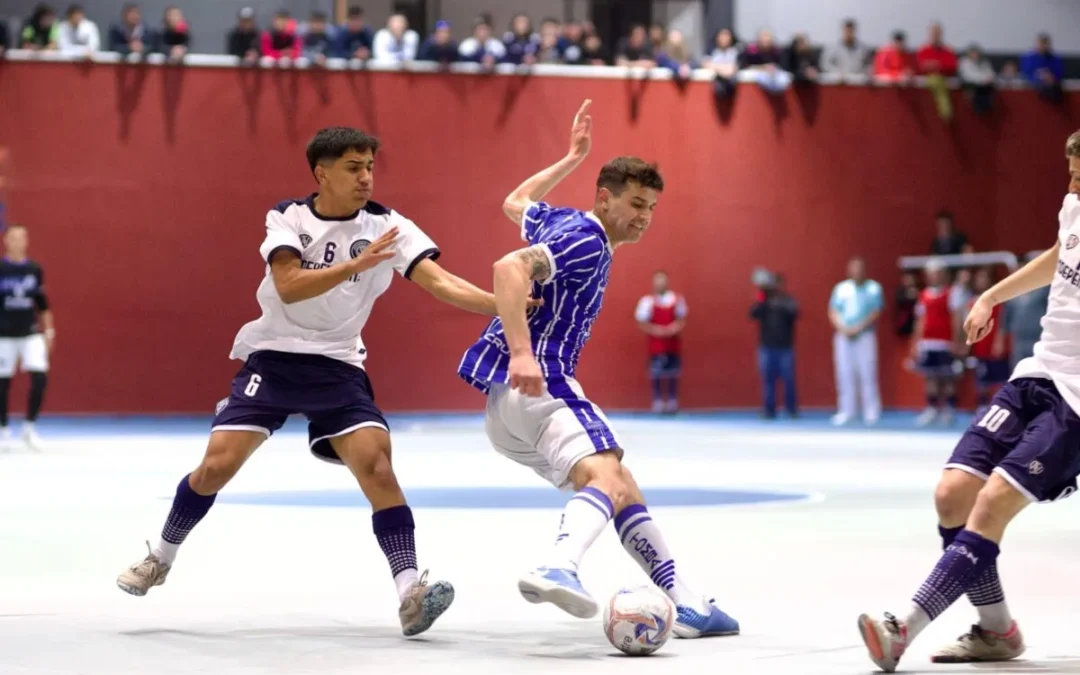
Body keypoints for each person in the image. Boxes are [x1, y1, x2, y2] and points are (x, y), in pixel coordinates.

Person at [116, 127, 510, 637]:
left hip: (338, 364)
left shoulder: (388, 225)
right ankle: (161, 557)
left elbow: (442, 282)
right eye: (353, 167)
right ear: (322, 173)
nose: (365, 176)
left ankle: (410, 591)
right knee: (216, 467)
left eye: (370, 166)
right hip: (274, 357)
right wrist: (356, 263)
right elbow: (289, 286)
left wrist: (503, 304)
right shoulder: (288, 217)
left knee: (378, 467)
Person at [456, 100, 739, 638]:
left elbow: (516, 202)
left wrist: (570, 157)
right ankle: (558, 565)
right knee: (609, 477)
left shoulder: (566, 222)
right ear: (604, 200)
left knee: (619, 482)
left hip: (502, 410)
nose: (644, 216)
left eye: (652, 207)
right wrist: (522, 351)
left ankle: (687, 605)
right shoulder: (587, 241)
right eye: (635, 203)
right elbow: (507, 268)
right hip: (543, 384)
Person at [857, 129, 1080, 672]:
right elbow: (1058, 255)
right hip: (1038, 374)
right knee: (953, 494)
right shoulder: (1074, 204)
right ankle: (997, 630)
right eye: (1070, 171)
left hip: (1076, 402)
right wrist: (990, 295)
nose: (1072, 182)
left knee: (993, 502)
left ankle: (901, 627)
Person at [0, 225, 54, 450]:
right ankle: (3, 430)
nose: (18, 242)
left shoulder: (34, 269)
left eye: (22, 237)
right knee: (3, 382)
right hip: (3, 333)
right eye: (13, 238)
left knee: (40, 376)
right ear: (6, 241)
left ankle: (29, 428)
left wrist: (49, 330)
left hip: (30, 331)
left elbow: (42, 303)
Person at [828, 257, 883, 426]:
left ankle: (871, 411)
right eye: (854, 268)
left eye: (860, 268)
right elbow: (833, 310)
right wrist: (842, 327)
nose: (857, 272)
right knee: (844, 373)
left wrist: (859, 327)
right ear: (849, 270)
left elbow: (876, 311)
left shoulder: (873, 288)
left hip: (864, 335)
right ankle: (847, 411)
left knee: (867, 372)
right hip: (843, 336)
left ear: (865, 270)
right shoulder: (841, 289)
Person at [912, 259, 964, 426]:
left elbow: (957, 317)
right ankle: (932, 408)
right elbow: (920, 320)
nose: (933, 277)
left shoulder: (952, 292)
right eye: (930, 274)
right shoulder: (923, 295)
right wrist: (916, 342)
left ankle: (949, 409)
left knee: (947, 376)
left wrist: (957, 340)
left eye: (936, 273)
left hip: (945, 343)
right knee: (930, 377)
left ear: (943, 274)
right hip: (928, 343)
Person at [634, 270, 687, 413]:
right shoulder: (647, 301)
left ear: (667, 282)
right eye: (657, 280)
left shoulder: (677, 299)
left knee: (672, 372)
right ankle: (657, 402)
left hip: (672, 343)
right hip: (656, 344)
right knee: (656, 372)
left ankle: (672, 402)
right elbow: (641, 322)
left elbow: (682, 319)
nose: (660, 283)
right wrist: (656, 330)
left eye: (662, 280)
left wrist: (674, 328)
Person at [750, 273, 799, 419]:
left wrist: (778, 303)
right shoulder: (764, 301)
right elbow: (753, 314)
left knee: (789, 379)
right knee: (768, 380)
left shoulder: (788, 301)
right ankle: (769, 409)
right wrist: (762, 296)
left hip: (785, 347)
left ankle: (791, 409)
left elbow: (795, 312)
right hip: (766, 346)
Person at [964, 267, 1009, 409]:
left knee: (999, 378)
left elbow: (1002, 322)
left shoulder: (997, 300)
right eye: (979, 278)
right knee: (981, 378)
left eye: (984, 278)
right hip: (979, 346)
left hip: (993, 344)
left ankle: (999, 407)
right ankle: (982, 406)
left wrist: (999, 341)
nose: (981, 281)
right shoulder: (971, 301)